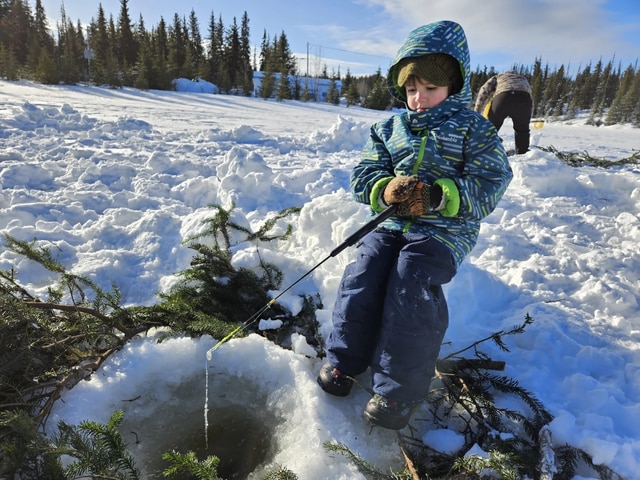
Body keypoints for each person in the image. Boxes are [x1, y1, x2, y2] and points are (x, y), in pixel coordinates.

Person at [316, 20, 513, 430]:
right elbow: (364, 174)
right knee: (365, 267)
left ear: (454, 86)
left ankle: (398, 389)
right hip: (391, 225)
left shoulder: (474, 130)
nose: (419, 99)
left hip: (445, 231)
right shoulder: (389, 128)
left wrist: (442, 196)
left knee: (411, 278)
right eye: (411, 90)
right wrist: (386, 189)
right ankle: (345, 360)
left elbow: (492, 183)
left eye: (430, 89)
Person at [474, 71, 533, 154]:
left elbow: (483, 91)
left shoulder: (497, 77)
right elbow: (529, 96)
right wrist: (526, 116)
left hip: (502, 98)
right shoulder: (523, 79)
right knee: (522, 131)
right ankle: (522, 154)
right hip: (523, 99)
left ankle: (482, 151)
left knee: (491, 128)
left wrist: (476, 111)